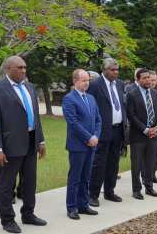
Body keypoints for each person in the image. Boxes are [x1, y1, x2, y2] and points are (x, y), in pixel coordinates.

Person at [0, 56, 47, 233]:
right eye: (19, 67)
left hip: (31, 141)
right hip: (10, 145)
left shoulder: (29, 87)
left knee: (30, 181)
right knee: (7, 184)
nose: (23, 70)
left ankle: (28, 214)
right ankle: (7, 220)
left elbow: (36, 116)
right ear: (8, 69)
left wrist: (41, 140)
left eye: (25, 67)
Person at [62, 69, 101, 220]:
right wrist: (88, 137)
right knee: (75, 177)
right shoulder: (69, 99)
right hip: (78, 146)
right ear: (75, 81)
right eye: (84, 80)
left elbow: (98, 119)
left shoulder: (91, 98)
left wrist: (96, 136)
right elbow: (73, 122)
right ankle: (72, 207)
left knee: (86, 176)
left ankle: (83, 205)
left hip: (92, 144)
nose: (87, 83)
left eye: (88, 80)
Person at [87, 58, 126, 207]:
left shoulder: (120, 84)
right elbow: (91, 108)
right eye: (112, 70)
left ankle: (110, 191)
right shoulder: (95, 85)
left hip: (117, 129)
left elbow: (122, 105)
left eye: (117, 70)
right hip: (102, 131)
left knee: (113, 163)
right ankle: (93, 194)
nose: (116, 72)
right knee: (99, 163)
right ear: (104, 70)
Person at [126, 68, 157, 200]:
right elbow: (131, 115)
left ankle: (149, 187)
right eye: (144, 78)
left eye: (149, 77)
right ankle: (136, 189)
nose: (148, 80)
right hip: (138, 135)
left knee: (150, 162)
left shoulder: (155, 93)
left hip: (153, 135)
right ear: (137, 80)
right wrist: (145, 129)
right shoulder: (132, 94)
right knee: (136, 164)